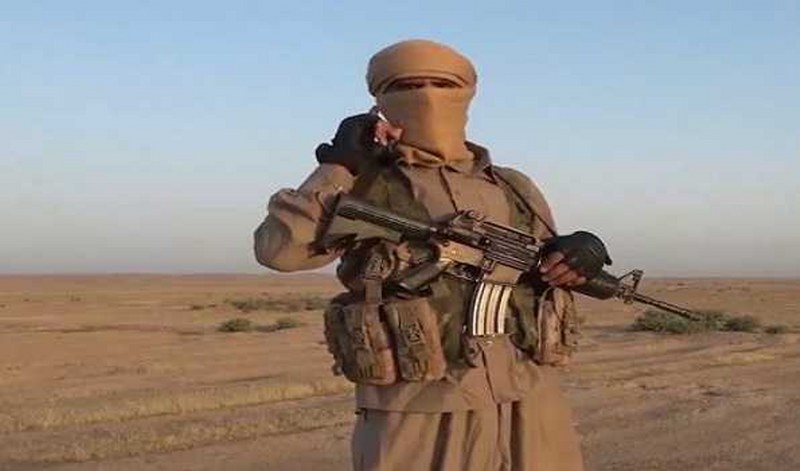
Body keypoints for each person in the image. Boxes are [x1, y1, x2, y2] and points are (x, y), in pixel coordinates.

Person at [255, 39, 610, 471]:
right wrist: (340, 164)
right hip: (418, 408)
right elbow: (279, 252)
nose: (426, 96)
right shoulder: (360, 180)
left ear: (468, 93)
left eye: (443, 85)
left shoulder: (513, 187)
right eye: (405, 86)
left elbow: (548, 266)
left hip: (530, 400)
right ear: (379, 100)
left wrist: (577, 256)